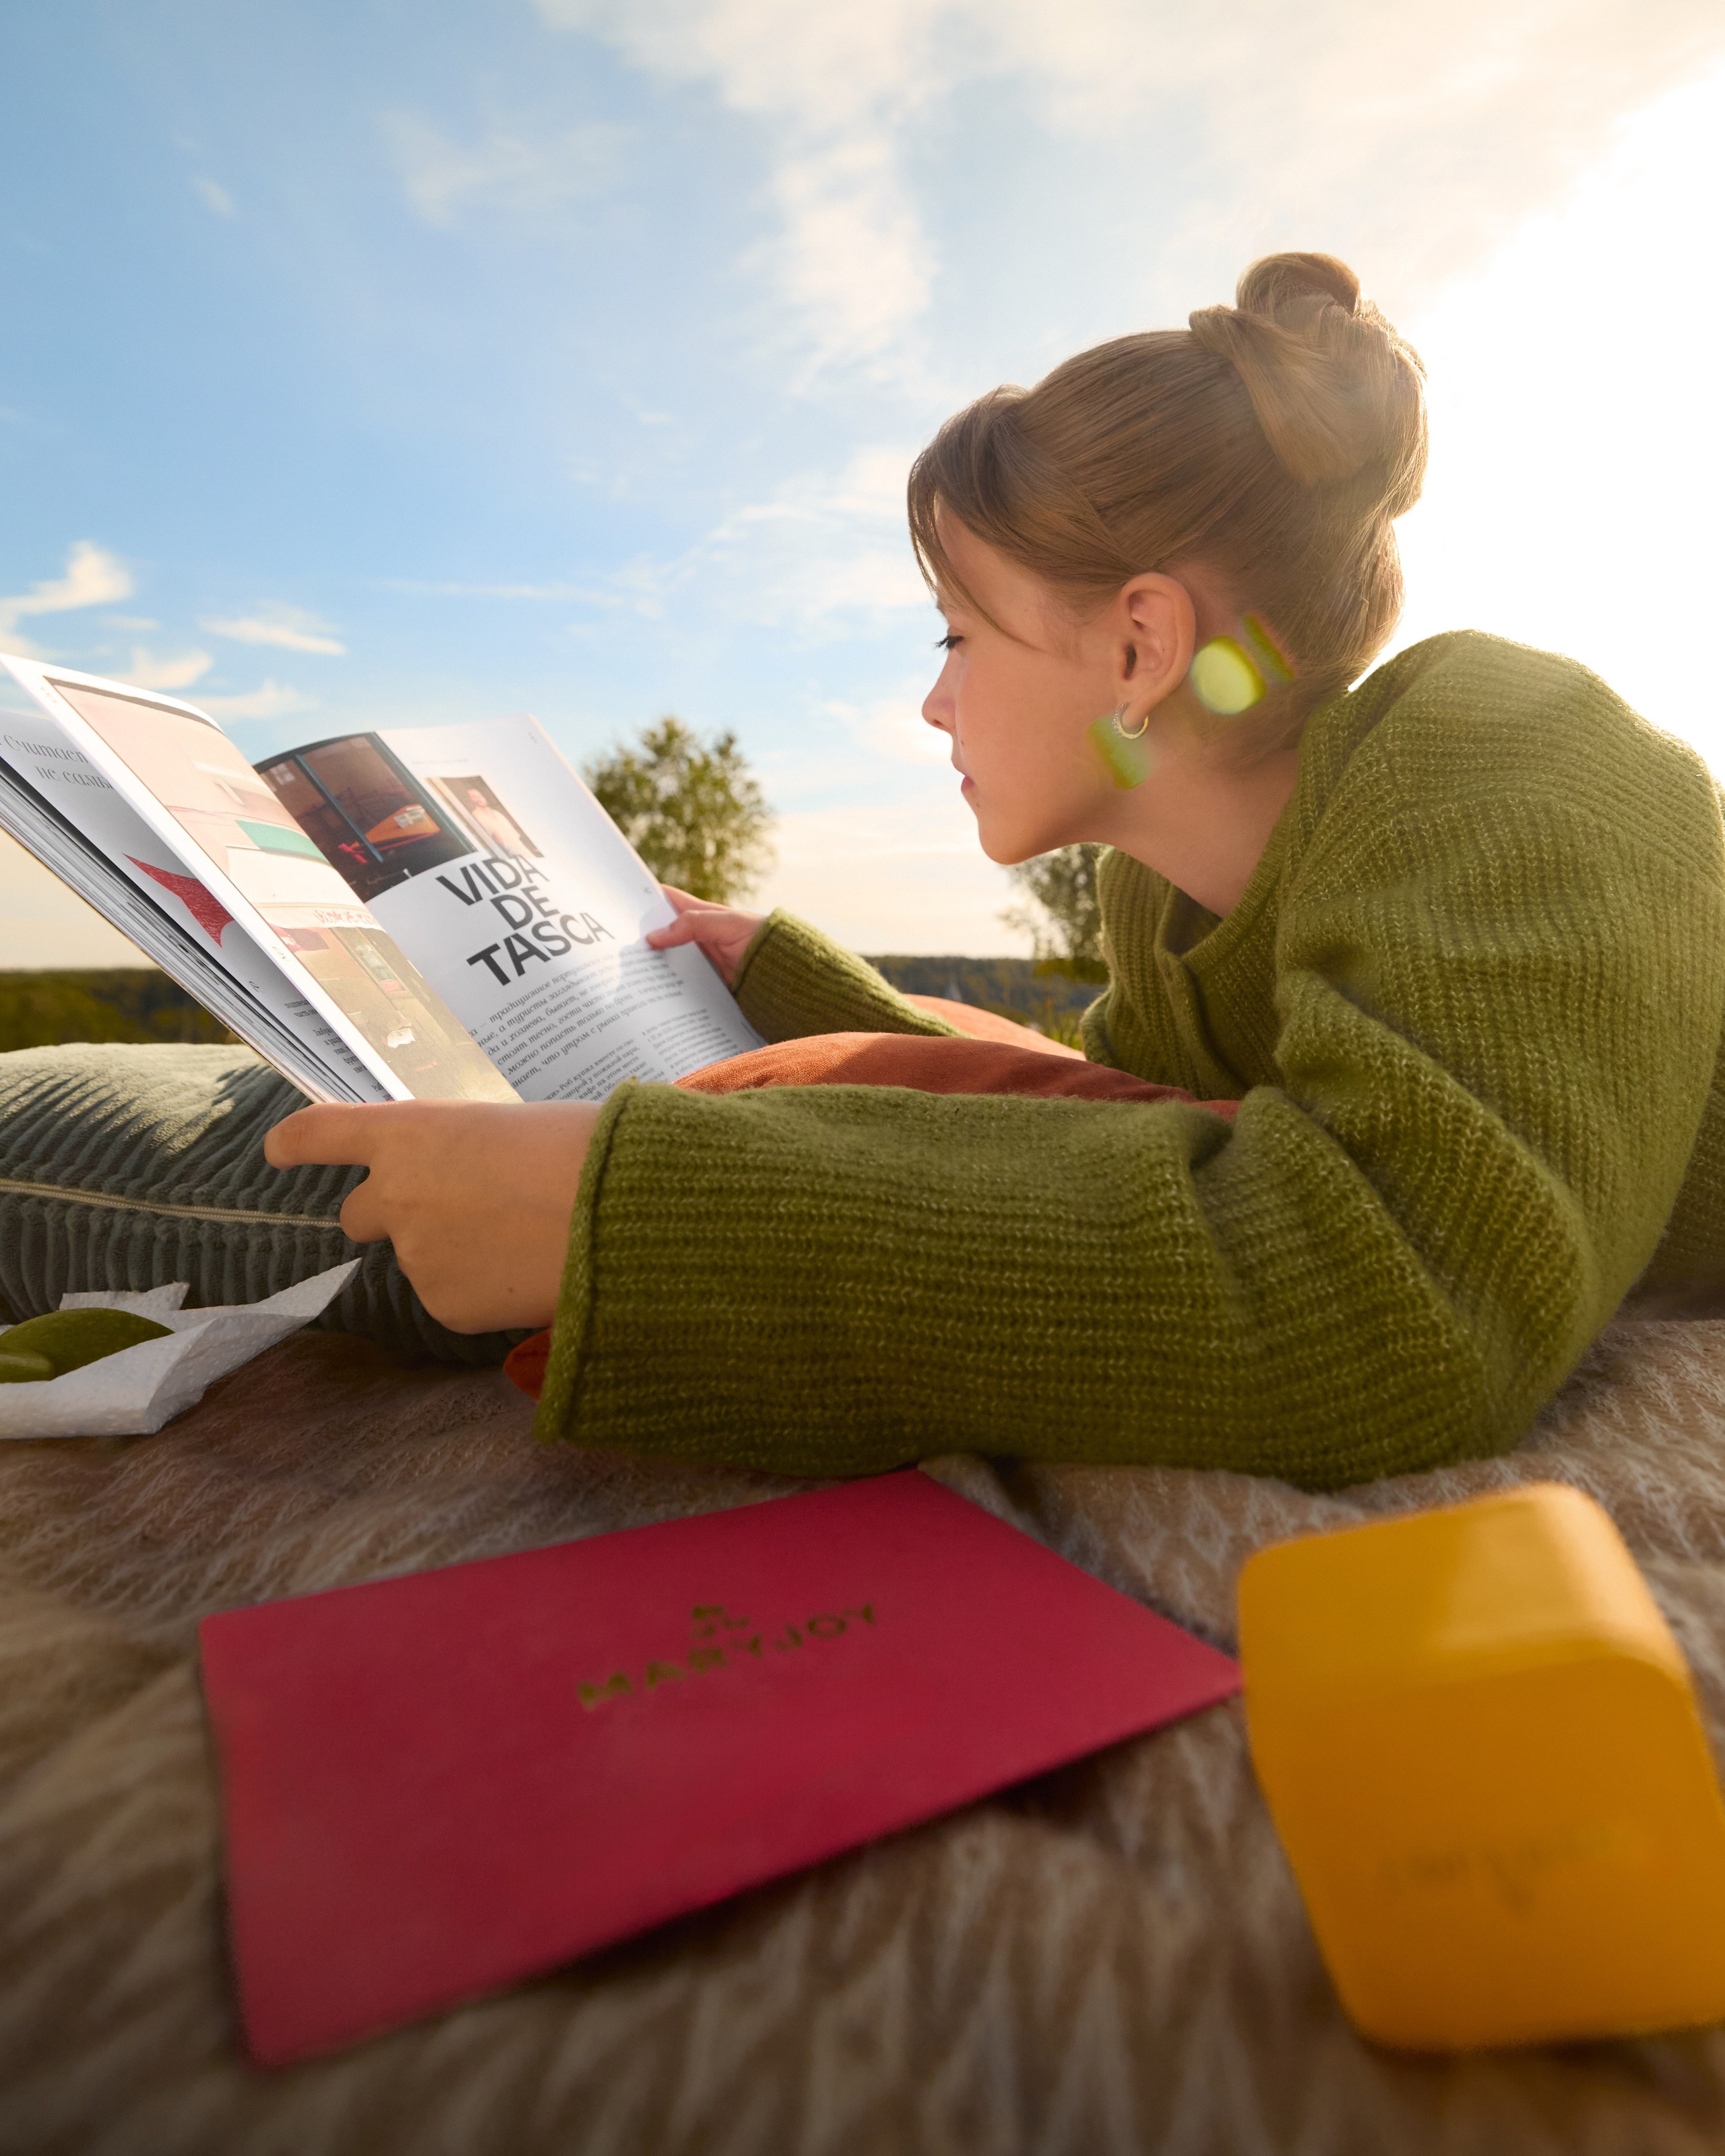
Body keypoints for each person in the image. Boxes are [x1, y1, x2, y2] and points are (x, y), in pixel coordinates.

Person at [262, 251, 1725, 1488]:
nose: (932, 700)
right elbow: (1132, 1124)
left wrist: (639, 1212)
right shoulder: (1161, 895)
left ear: (1139, 648)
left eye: (955, 635)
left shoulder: (1511, 755)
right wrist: (791, 978)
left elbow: (1397, 1298)